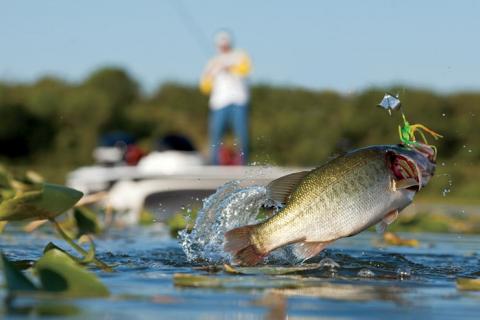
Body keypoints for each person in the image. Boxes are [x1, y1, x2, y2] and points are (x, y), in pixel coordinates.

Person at [199, 30, 252, 165]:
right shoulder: (212, 62)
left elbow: (246, 70)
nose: (224, 47)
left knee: (241, 134)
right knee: (216, 135)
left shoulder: (240, 56)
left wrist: (230, 68)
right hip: (219, 103)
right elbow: (204, 87)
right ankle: (215, 164)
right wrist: (210, 74)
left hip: (238, 101)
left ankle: (243, 163)